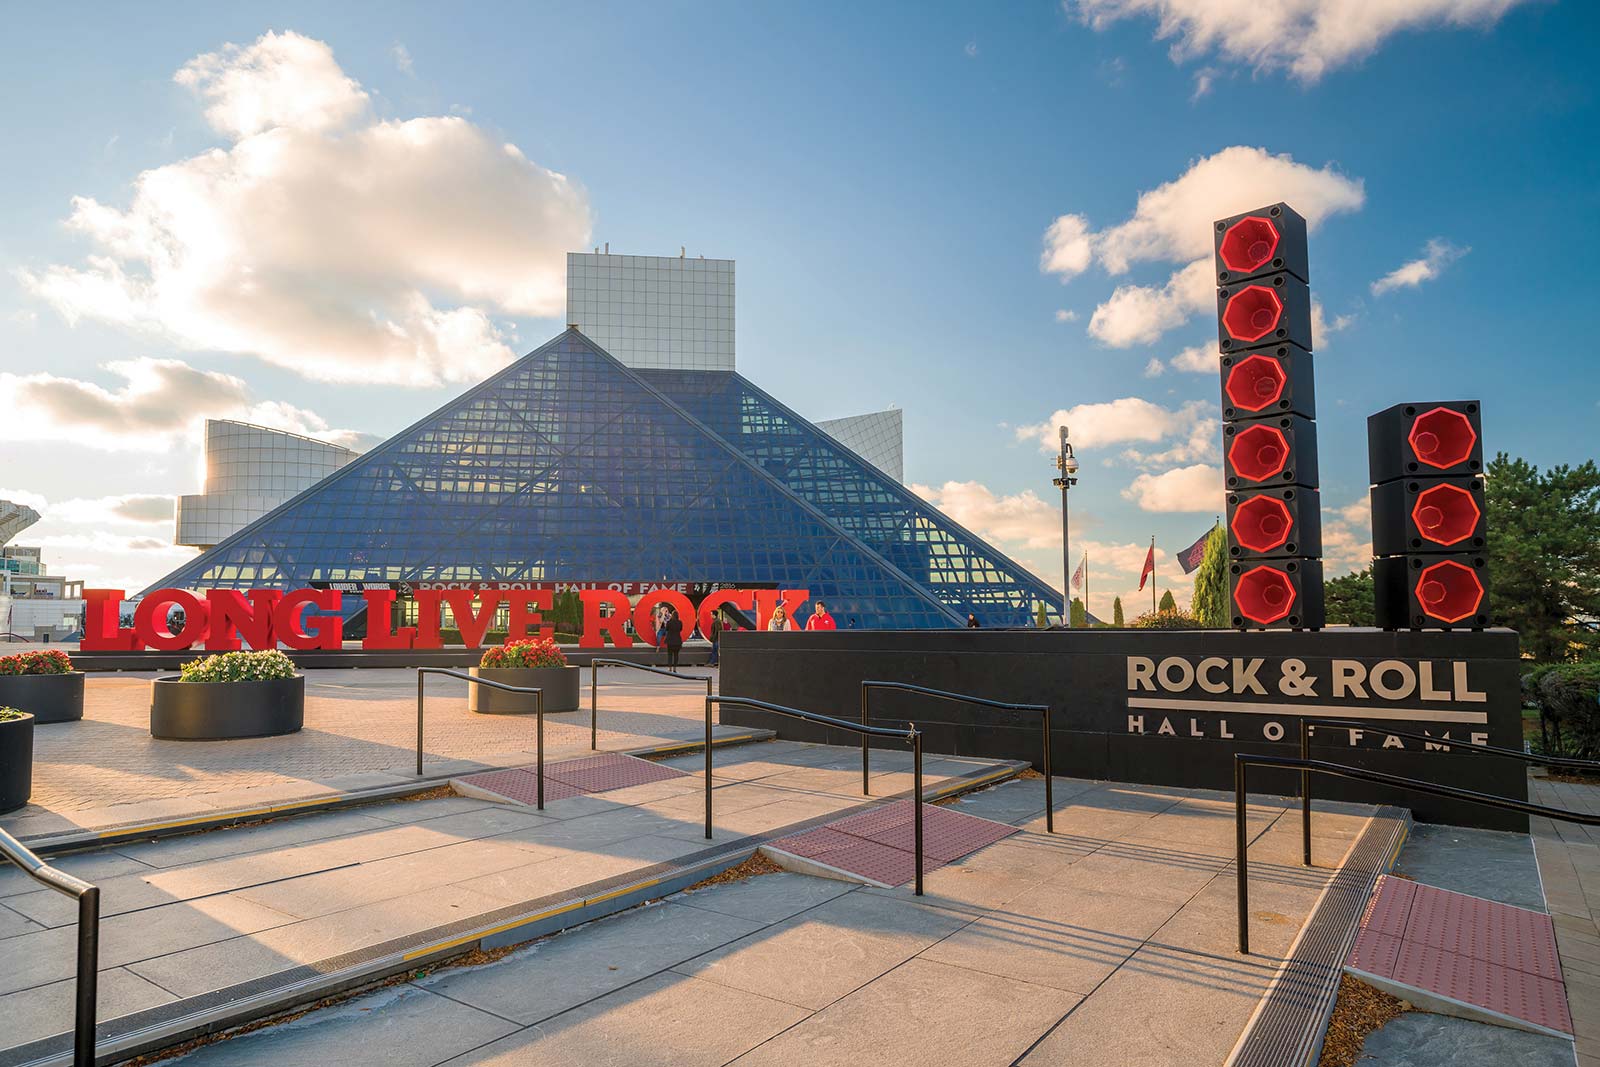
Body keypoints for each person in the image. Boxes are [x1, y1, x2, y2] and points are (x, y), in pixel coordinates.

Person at [661, 606, 685, 672]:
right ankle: (675, 668)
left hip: (670, 641)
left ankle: (669, 668)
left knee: (670, 655)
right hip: (677, 640)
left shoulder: (669, 622)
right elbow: (680, 629)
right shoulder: (680, 622)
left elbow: (667, 629)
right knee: (676, 655)